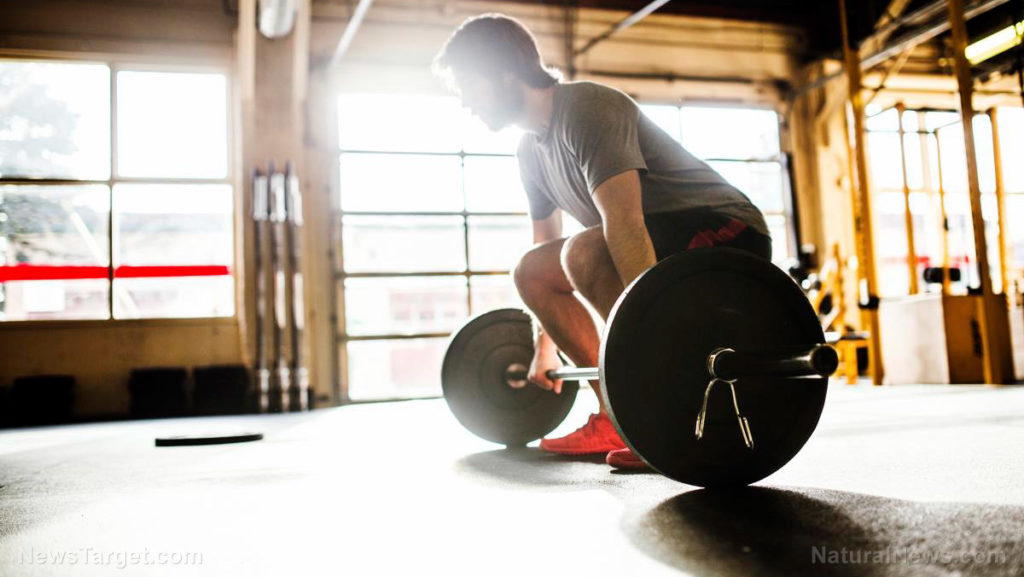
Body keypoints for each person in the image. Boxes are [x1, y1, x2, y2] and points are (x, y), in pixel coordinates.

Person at [434, 13, 772, 469]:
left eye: (470, 87)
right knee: (530, 269)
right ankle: (619, 414)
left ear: (504, 72)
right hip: (652, 240)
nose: (466, 104)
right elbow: (543, 253)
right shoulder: (530, 151)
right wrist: (544, 346)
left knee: (585, 250)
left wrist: (654, 331)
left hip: (726, 232)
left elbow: (625, 224)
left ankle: (660, 411)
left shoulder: (587, 108)